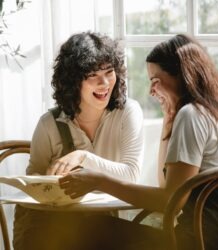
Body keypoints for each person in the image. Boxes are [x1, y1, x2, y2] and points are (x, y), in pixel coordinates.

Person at [60, 34, 218, 250]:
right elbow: (166, 186)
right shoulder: (208, 112)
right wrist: (168, 121)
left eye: (155, 81)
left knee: (93, 230)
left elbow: (170, 201)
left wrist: (99, 181)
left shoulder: (191, 115)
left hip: (201, 242)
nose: (150, 91)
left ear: (182, 75)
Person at [13, 31, 144, 250]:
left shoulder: (128, 112)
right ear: (74, 81)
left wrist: (82, 157)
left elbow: (132, 174)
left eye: (109, 72)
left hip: (104, 226)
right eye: (92, 75)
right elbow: (33, 180)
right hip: (56, 227)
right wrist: (46, 182)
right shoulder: (49, 124)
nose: (104, 83)